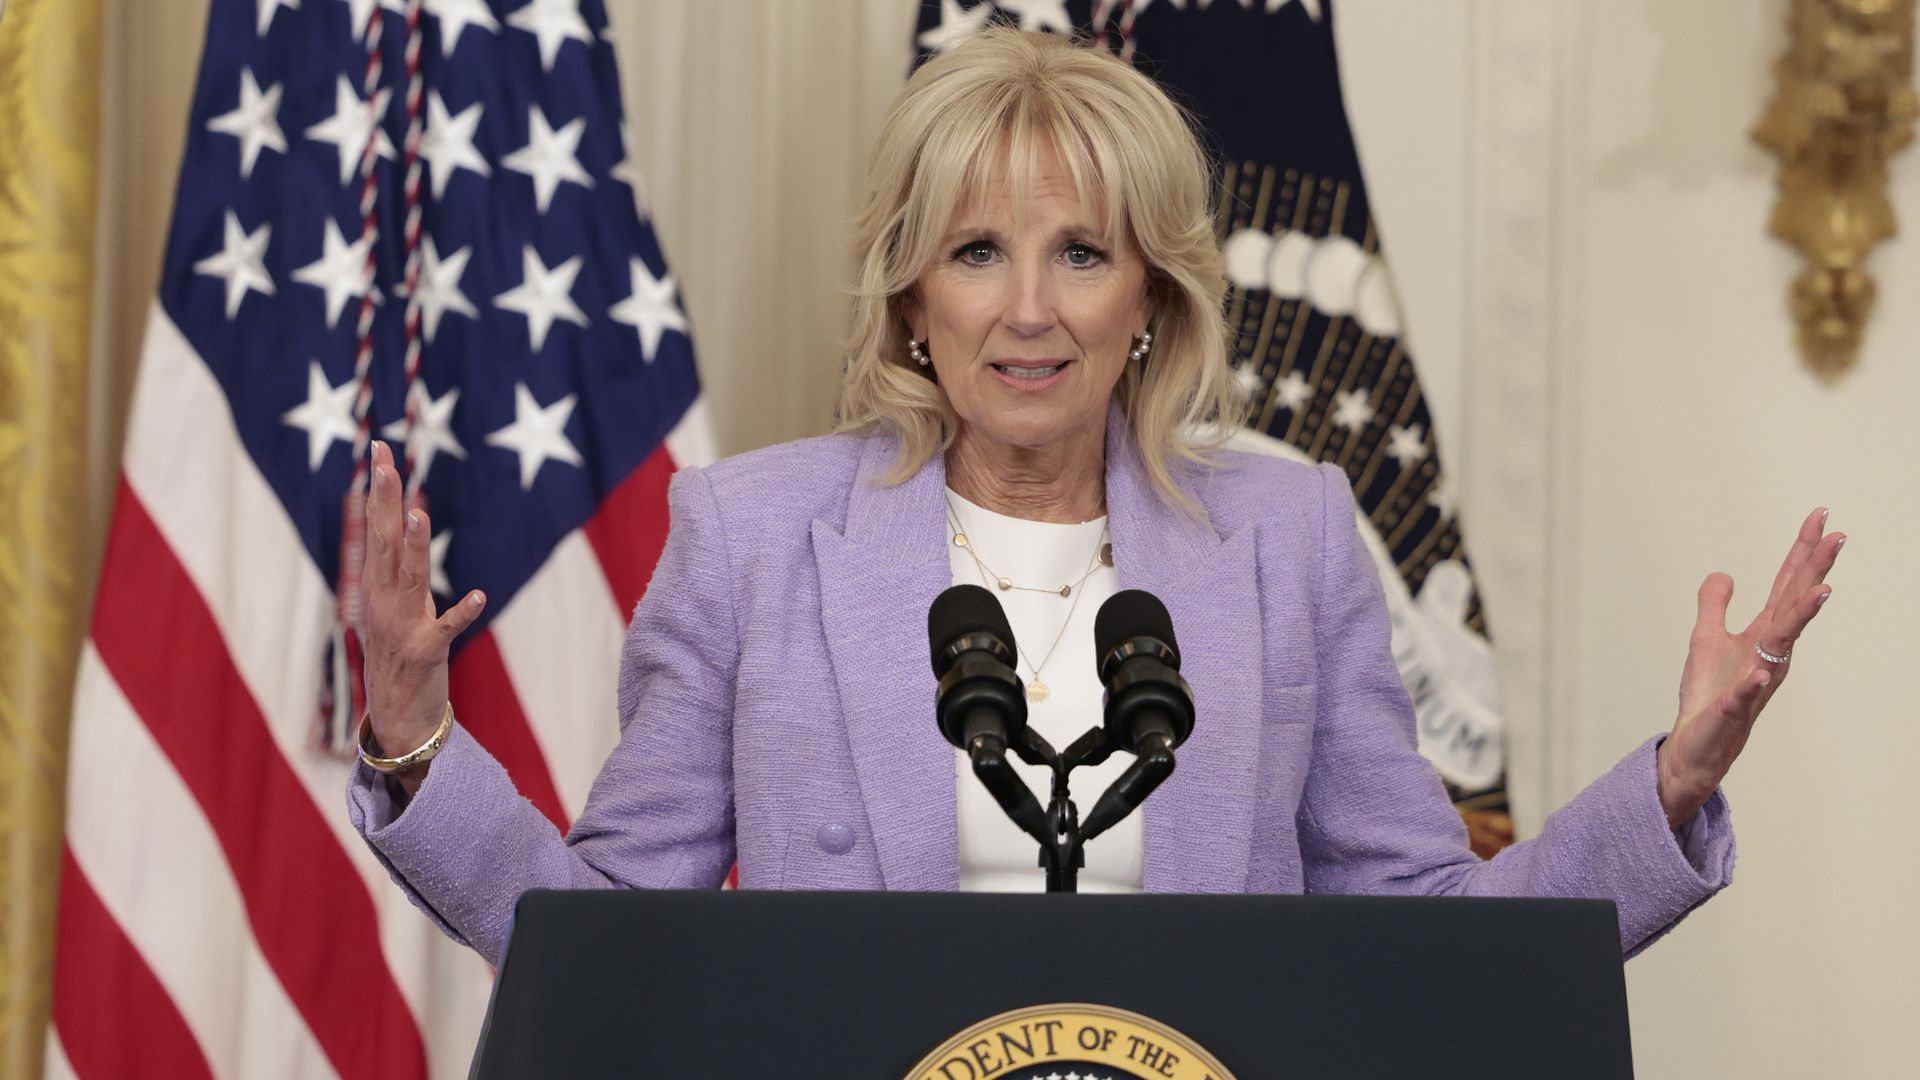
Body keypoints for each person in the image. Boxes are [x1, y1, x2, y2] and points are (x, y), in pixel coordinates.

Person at [348, 29, 1842, 965]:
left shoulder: (1287, 535)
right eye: (977, 251)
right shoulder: (749, 536)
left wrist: (1667, 790)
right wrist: (419, 749)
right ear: (912, 294)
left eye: (1081, 252)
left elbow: (1423, 935)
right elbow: (611, 948)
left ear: (1150, 295)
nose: (1029, 311)